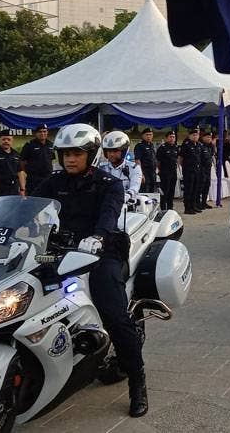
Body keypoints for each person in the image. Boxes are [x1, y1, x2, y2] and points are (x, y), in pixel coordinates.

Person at [30, 123, 148, 417]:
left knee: (115, 316)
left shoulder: (109, 184)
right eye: (65, 153)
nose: (70, 159)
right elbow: (30, 207)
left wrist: (97, 237)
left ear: (92, 155)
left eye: (77, 154)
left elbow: (108, 217)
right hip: (58, 253)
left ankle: (137, 381)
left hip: (100, 253)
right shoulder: (53, 182)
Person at [99, 131, 142, 203]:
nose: (111, 154)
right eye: (109, 151)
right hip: (105, 204)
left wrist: (126, 196)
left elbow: (135, 187)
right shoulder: (101, 168)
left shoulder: (134, 168)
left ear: (124, 151)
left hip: (127, 206)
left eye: (115, 151)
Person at [0, 130, 26, 201]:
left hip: (14, 190)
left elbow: (20, 172)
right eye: (4, 139)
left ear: (12, 140)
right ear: (0, 140)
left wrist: (22, 189)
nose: (6, 141)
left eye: (8, 139)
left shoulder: (16, 155)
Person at [20, 123, 54, 194]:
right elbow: (22, 162)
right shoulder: (29, 145)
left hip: (47, 179)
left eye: (44, 131)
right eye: (40, 131)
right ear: (36, 133)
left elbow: (51, 160)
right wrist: (27, 173)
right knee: (33, 200)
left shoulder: (50, 145)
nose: (42, 133)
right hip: (33, 180)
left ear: (47, 132)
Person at [178, 129, 203, 215]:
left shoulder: (199, 145)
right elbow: (181, 158)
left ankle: (193, 206)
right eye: (193, 135)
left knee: (195, 189)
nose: (195, 136)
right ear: (189, 136)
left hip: (197, 170)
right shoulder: (186, 145)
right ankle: (187, 208)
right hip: (188, 170)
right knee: (189, 189)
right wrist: (184, 167)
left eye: (196, 135)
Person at [155, 131, 180, 212]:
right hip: (165, 172)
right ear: (166, 138)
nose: (172, 138)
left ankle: (170, 208)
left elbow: (177, 159)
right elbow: (158, 161)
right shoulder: (162, 148)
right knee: (165, 191)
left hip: (173, 172)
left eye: (173, 137)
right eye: (170, 137)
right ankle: (163, 208)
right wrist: (160, 170)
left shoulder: (176, 147)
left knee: (171, 191)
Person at [132, 128, 157, 193]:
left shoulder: (151, 145)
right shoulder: (139, 146)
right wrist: (141, 174)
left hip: (152, 173)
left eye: (150, 135)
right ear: (142, 136)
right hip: (145, 172)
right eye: (147, 135)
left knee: (152, 191)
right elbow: (137, 160)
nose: (149, 136)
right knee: (145, 191)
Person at [197, 131, 215, 210]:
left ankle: (204, 202)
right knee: (200, 187)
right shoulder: (200, 146)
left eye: (210, 137)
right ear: (203, 137)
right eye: (207, 137)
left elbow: (211, 156)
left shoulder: (210, 146)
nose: (209, 139)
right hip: (202, 169)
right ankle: (198, 203)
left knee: (207, 186)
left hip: (208, 169)